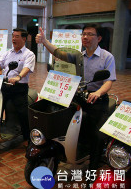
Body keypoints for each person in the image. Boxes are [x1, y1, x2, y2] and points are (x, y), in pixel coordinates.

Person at [36, 24, 116, 173]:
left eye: (90, 34)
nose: (85, 37)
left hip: (97, 100)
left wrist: (98, 93)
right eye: (84, 34)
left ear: (98, 38)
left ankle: (93, 169)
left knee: (98, 136)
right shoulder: (78, 56)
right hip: (79, 96)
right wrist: (45, 42)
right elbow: (59, 53)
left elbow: (109, 81)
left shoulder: (107, 57)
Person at [0, 28, 35, 142]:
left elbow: (27, 68)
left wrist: (18, 77)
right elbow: (0, 66)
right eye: (13, 36)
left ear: (24, 39)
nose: (13, 39)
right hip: (5, 85)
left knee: (23, 113)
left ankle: (28, 139)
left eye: (17, 36)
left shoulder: (29, 54)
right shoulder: (8, 53)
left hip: (19, 88)